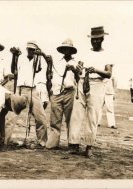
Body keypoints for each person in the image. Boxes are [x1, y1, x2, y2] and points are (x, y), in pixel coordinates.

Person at [68, 26, 112, 158]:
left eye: (98, 40)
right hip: (82, 82)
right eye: (93, 40)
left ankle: (89, 146)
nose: (95, 42)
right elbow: (79, 69)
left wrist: (96, 70)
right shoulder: (85, 53)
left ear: (102, 39)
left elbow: (109, 73)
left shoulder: (107, 54)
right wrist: (76, 69)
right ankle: (74, 144)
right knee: (76, 114)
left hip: (97, 84)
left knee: (93, 116)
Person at [12, 41, 51, 148]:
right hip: (20, 89)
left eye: (33, 50)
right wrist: (14, 56)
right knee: (12, 117)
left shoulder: (38, 59)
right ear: (26, 49)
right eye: (29, 49)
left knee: (41, 118)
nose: (31, 51)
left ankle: (42, 142)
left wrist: (40, 54)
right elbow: (13, 70)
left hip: (32, 90)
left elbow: (42, 67)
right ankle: (4, 140)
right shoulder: (20, 58)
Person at [45, 39, 79, 149]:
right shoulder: (56, 62)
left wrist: (74, 70)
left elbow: (79, 79)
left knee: (71, 119)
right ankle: (53, 143)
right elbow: (49, 75)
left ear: (72, 51)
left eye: (68, 49)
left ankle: (72, 143)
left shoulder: (76, 63)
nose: (66, 51)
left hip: (70, 92)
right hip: (56, 92)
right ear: (62, 50)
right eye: (64, 48)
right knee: (55, 119)